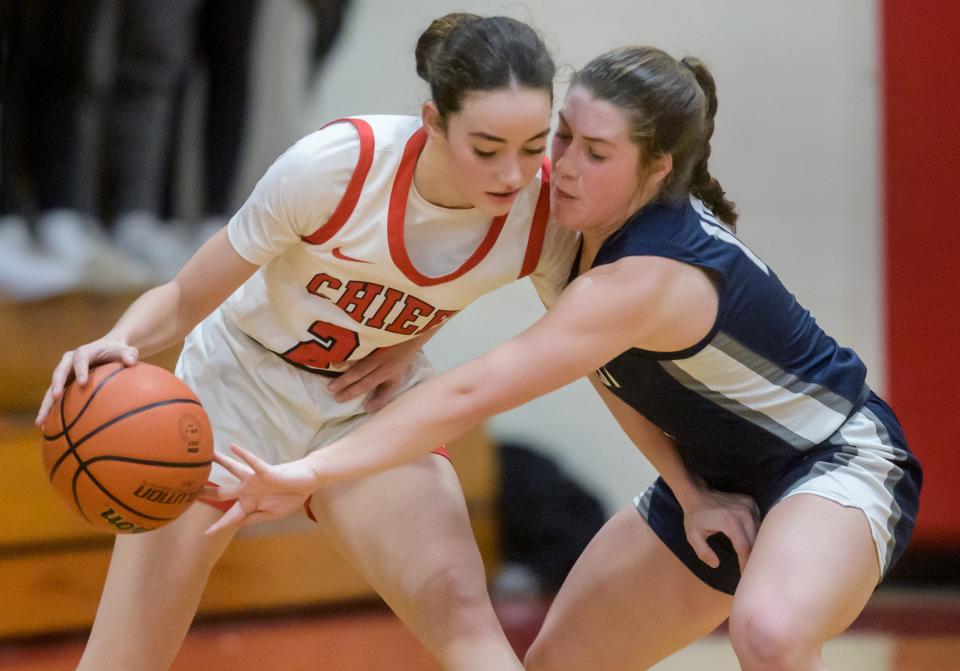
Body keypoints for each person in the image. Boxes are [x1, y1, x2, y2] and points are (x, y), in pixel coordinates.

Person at [207, 46, 922, 671]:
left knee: (768, 634)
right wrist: (689, 488)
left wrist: (308, 468)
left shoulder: (652, 274)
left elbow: (471, 395)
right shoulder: (573, 224)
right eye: (564, 135)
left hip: (835, 459)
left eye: (596, 152)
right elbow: (604, 368)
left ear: (657, 168)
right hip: (712, 481)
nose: (564, 167)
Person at [36, 14, 575, 671]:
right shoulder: (336, 167)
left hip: (363, 404)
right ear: (433, 122)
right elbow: (184, 296)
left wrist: (418, 334)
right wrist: (119, 339)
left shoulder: (545, 214)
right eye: (487, 147)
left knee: (464, 619)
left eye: (533, 145)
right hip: (236, 386)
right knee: (124, 657)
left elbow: (596, 332)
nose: (513, 173)